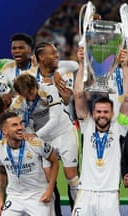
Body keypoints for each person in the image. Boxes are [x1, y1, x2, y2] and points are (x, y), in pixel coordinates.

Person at [72, 47, 128, 215]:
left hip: (110, 193)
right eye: (98, 112)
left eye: (106, 112)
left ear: (112, 113)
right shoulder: (87, 125)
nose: (102, 115)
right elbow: (77, 94)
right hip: (85, 191)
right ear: (93, 113)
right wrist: (82, 63)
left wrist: (125, 67)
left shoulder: (119, 127)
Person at [11, 73, 79, 212]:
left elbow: (55, 120)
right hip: (45, 139)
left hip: (64, 132)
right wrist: (28, 133)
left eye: (31, 92)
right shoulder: (18, 102)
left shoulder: (49, 90)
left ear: (35, 86)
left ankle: (79, 211)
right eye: (25, 95)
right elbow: (24, 123)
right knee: (48, 180)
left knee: (71, 176)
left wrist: (34, 135)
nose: (30, 96)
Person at [0, 112, 59, 216]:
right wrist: (0, 199)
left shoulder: (36, 143)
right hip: (14, 196)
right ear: (5, 131)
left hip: (38, 194)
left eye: (20, 123)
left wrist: (50, 190)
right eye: (15, 125)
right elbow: (2, 173)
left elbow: (55, 162)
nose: (20, 127)